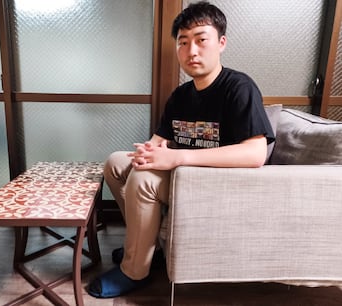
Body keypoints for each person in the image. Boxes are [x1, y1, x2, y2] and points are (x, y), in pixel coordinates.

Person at [87, 1, 275, 298]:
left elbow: (255, 154)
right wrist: (148, 152)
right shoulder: (181, 95)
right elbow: (159, 139)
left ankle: (135, 270)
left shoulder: (239, 88)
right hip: (184, 174)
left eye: (201, 40)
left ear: (221, 43)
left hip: (218, 182)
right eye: (183, 42)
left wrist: (177, 156)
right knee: (116, 163)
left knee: (144, 179)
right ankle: (148, 244)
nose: (192, 51)